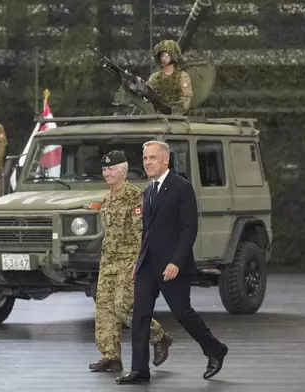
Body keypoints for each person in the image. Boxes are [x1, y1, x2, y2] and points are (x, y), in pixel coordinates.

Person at [116, 141, 228, 385]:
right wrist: (138, 261)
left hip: (172, 265)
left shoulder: (182, 187)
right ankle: (139, 369)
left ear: (165, 160)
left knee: (182, 313)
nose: (147, 163)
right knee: (140, 316)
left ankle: (214, 349)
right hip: (147, 265)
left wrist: (176, 262)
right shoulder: (148, 191)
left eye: (152, 158)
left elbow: (189, 229)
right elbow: (148, 231)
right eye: (145, 158)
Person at [90, 150, 172, 373]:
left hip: (129, 261)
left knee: (124, 307)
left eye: (111, 169)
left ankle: (159, 337)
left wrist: (138, 261)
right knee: (105, 309)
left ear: (123, 171)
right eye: (105, 169)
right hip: (109, 261)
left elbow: (142, 233)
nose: (107, 173)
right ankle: (111, 356)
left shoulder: (136, 197)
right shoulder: (107, 198)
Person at [147, 40, 193, 114]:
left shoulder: (182, 76)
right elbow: (147, 96)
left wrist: (175, 111)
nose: (164, 58)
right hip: (157, 117)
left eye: (166, 55)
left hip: (176, 118)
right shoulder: (154, 78)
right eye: (162, 55)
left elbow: (186, 97)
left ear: (173, 55)